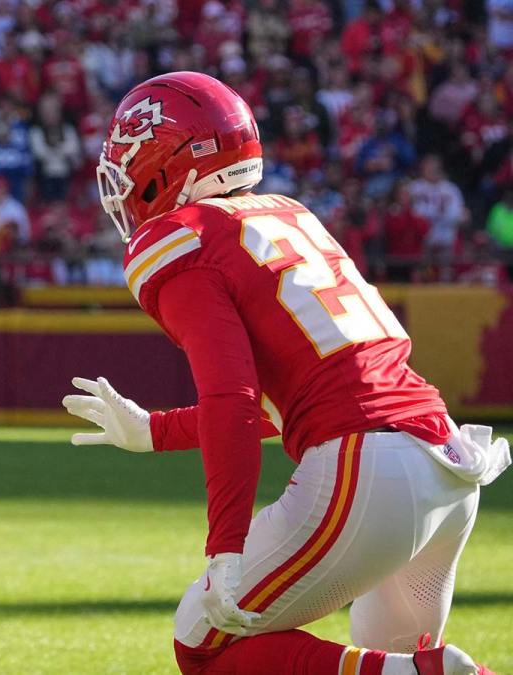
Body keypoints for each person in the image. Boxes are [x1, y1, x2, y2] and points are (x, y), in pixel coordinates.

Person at [63, 72, 508, 675]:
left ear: (168, 160)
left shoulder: (177, 238)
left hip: (367, 467)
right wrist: (155, 431)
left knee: (203, 646)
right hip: (444, 461)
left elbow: (233, 399)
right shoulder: (288, 214)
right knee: (385, 660)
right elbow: (291, 398)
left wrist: (226, 549)